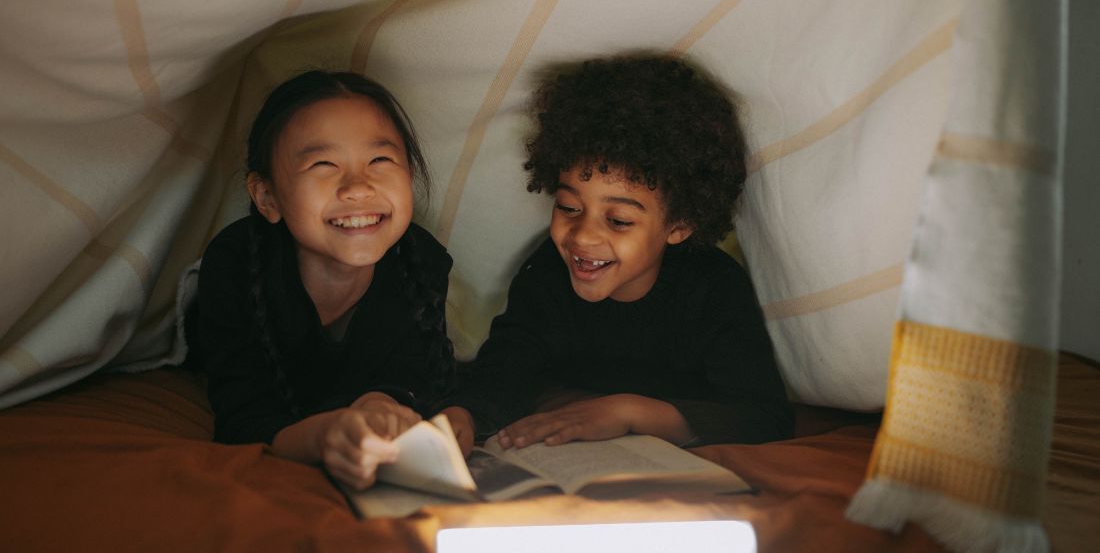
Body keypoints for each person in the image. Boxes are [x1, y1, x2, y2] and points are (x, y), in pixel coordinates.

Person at [441, 54, 793, 449]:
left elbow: (763, 417)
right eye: (569, 208)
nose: (583, 236)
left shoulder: (714, 289)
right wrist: (464, 414)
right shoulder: (548, 272)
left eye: (619, 220)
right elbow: (507, 366)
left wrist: (628, 412)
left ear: (678, 225)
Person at [188, 70, 465, 490]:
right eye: (323, 164)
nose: (358, 187)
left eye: (380, 160)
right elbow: (243, 418)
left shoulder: (421, 261)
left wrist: (381, 405)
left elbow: (413, 376)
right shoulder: (234, 265)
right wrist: (325, 435)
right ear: (267, 197)